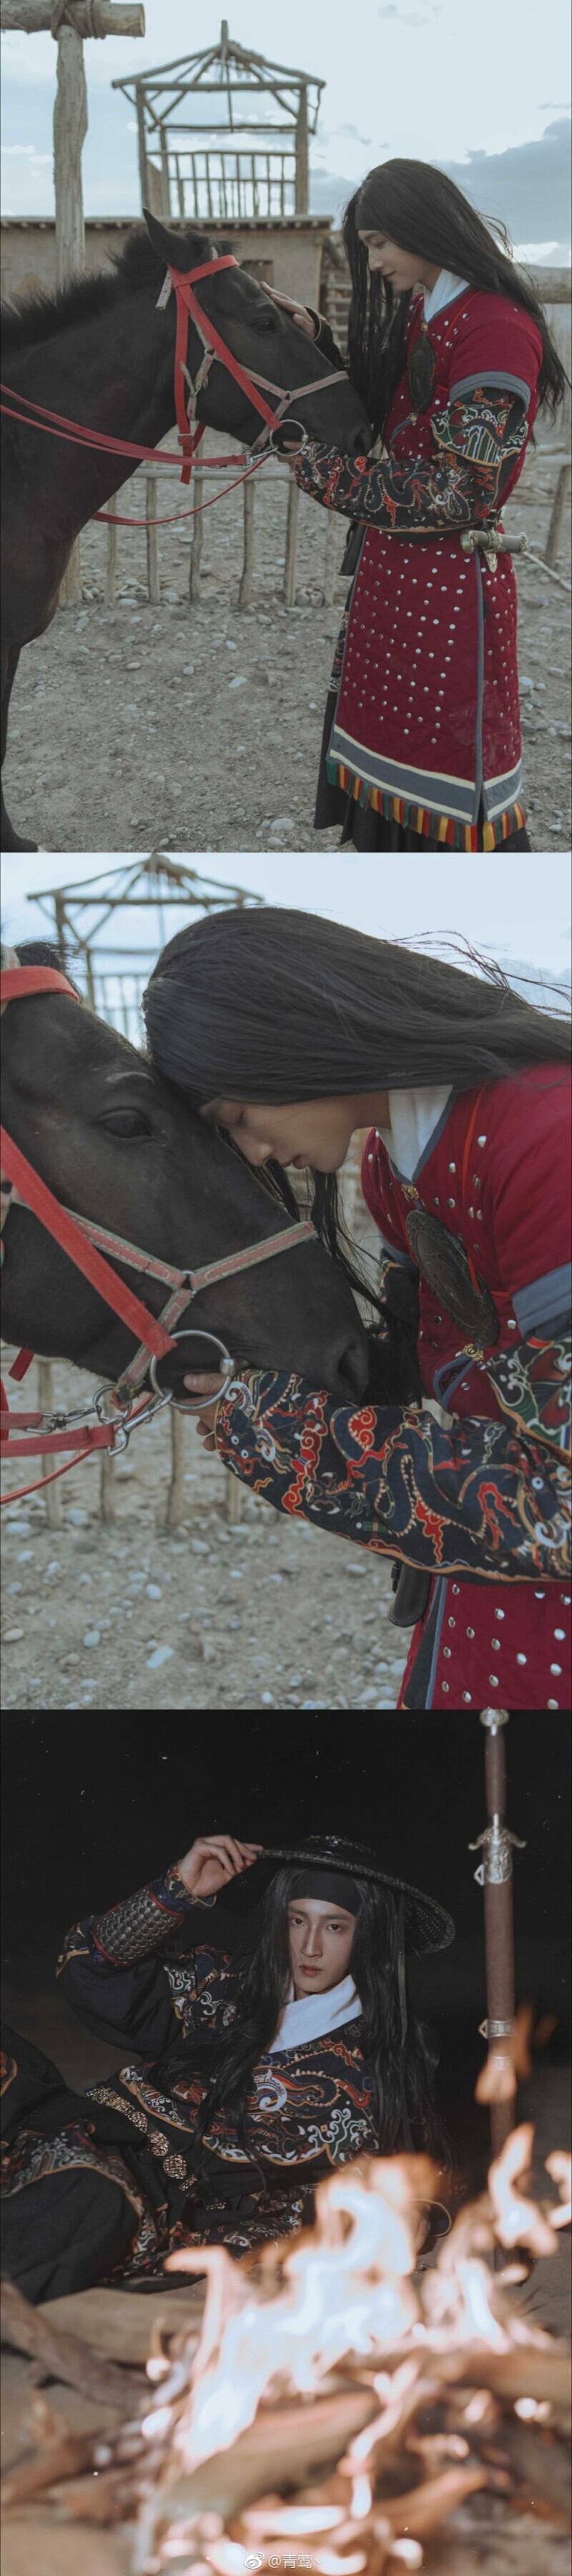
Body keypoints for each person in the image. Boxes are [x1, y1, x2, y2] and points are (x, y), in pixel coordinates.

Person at [142, 905, 571, 1712]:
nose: (253, 1153)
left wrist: (277, 1432)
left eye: (235, 1119)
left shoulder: (549, 1138)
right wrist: (246, 1374)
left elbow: (558, 1506)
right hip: (482, 1594)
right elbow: (445, 1366)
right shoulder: (388, 1164)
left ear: (291, 1044)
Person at [1, 1831, 454, 2303]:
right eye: (297, 1921)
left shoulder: (380, 2063)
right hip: (86, 2123)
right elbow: (89, 1974)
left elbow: (404, 2182)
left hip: (144, 2193)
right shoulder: (228, 1983)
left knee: (83, 2196)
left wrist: (406, 2213)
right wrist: (176, 1891)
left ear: (369, 1936)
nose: (310, 1947)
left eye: (335, 1927)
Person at [262, 160, 568, 854]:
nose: (372, 263)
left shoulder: (494, 329)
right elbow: (399, 413)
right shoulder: (428, 310)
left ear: (423, 228)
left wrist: (317, 469)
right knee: (385, 744)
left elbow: (460, 490)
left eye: (377, 243)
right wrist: (313, 337)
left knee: (448, 766)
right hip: (392, 574)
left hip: (449, 591)